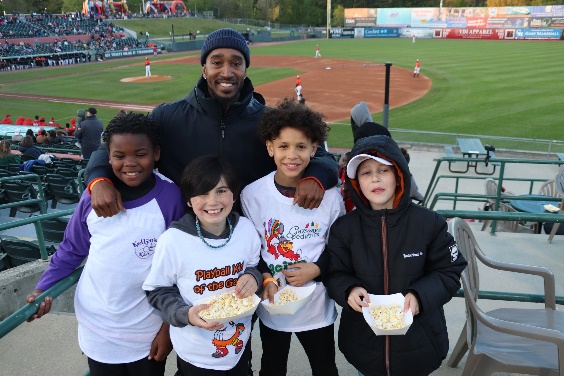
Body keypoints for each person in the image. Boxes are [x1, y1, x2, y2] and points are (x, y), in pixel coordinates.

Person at [84, 28, 337, 219]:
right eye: (217, 62)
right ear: (204, 68)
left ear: (245, 69)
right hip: (188, 237)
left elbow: (322, 156)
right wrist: (99, 180)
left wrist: (315, 177)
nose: (226, 72)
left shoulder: (268, 119)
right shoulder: (167, 116)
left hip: (252, 236)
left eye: (236, 63)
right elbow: (108, 150)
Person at [26, 112, 185, 376]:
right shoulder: (92, 199)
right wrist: (43, 289)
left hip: (147, 330)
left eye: (140, 154)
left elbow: (181, 268)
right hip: (97, 326)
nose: (130, 163)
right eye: (119, 156)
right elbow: (71, 249)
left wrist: (168, 329)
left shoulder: (170, 197)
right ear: (107, 156)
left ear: (156, 153)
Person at [324, 135, 467, 376]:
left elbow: (449, 272)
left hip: (420, 343)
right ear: (356, 182)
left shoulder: (429, 223)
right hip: (364, 344)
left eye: (383, 170)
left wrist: (420, 296)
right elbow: (335, 273)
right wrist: (348, 289)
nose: (375, 178)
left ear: (399, 175)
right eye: (366, 172)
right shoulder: (344, 228)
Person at [240, 98, 344, 376]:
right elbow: (253, 250)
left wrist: (318, 268)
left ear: (314, 148)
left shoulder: (330, 196)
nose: (292, 155)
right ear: (270, 147)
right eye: (283, 146)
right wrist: (267, 278)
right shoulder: (253, 195)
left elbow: (341, 245)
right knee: (272, 367)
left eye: (301, 146)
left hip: (316, 307)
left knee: (324, 367)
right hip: (273, 304)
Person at [143, 155, 261, 375]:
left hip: (239, 344)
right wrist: (185, 314)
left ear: (234, 195)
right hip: (194, 351)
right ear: (188, 200)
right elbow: (158, 291)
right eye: (203, 193)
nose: (213, 202)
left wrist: (253, 278)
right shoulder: (173, 241)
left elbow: (254, 267)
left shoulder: (245, 229)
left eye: (221, 191)